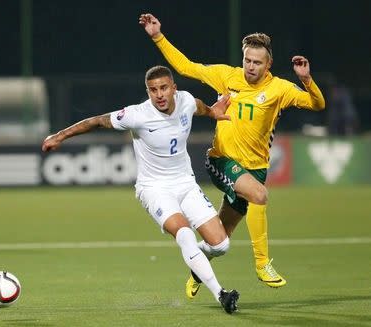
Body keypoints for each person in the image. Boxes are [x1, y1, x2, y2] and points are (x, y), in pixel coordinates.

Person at [139, 14, 326, 294]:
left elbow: (317, 104)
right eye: (247, 60)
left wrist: (307, 80)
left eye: (257, 62)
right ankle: (263, 264)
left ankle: (197, 270)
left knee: (220, 239)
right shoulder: (227, 76)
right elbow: (186, 66)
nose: (250, 67)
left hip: (255, 168)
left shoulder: (279, 89)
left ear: (268, 64)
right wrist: (157, 36)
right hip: (222, 161)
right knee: (260, 195)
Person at [42, 65, 240, 314]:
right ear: (147, 92)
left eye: (164, 88)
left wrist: (212, 112)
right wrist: (59, 136)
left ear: (174, 89)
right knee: (185, 234)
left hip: (186, 183)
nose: (159, 94)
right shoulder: (137, 115)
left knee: (220, 246)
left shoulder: (186, 101)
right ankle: (221, 294)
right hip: (154, 189)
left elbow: (198, 106)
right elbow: (96, 122)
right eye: (153, 90)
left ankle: (196, 262)